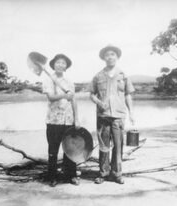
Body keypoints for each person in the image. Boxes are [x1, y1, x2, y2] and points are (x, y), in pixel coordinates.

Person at [89, 45, 135, 184]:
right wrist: (98, 101)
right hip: (103, 116)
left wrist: (131, 113)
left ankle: (117, 174)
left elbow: (127, 95)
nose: (110, 57)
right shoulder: (98, 76)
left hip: (119, 115)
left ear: (117, 57)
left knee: (118, 145)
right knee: (103, 145)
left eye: (113, 54)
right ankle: (103, 173)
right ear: (104, 58)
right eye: (107, 55)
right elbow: (91, 94)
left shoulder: (123, 75)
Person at [42, 53, 80, 187]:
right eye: (58, 62)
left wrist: (77, 119)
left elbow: (74, 100)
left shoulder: (69, 81)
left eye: (63, 63)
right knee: (53, 150)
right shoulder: (48, 79)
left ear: (66, 66)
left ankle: (71, 176)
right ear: (53, 65)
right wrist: (64, 94)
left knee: (70, 149)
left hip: (68, 120)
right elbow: (51, 97)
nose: (60, 64)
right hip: (54, 120)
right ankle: (52, 177)